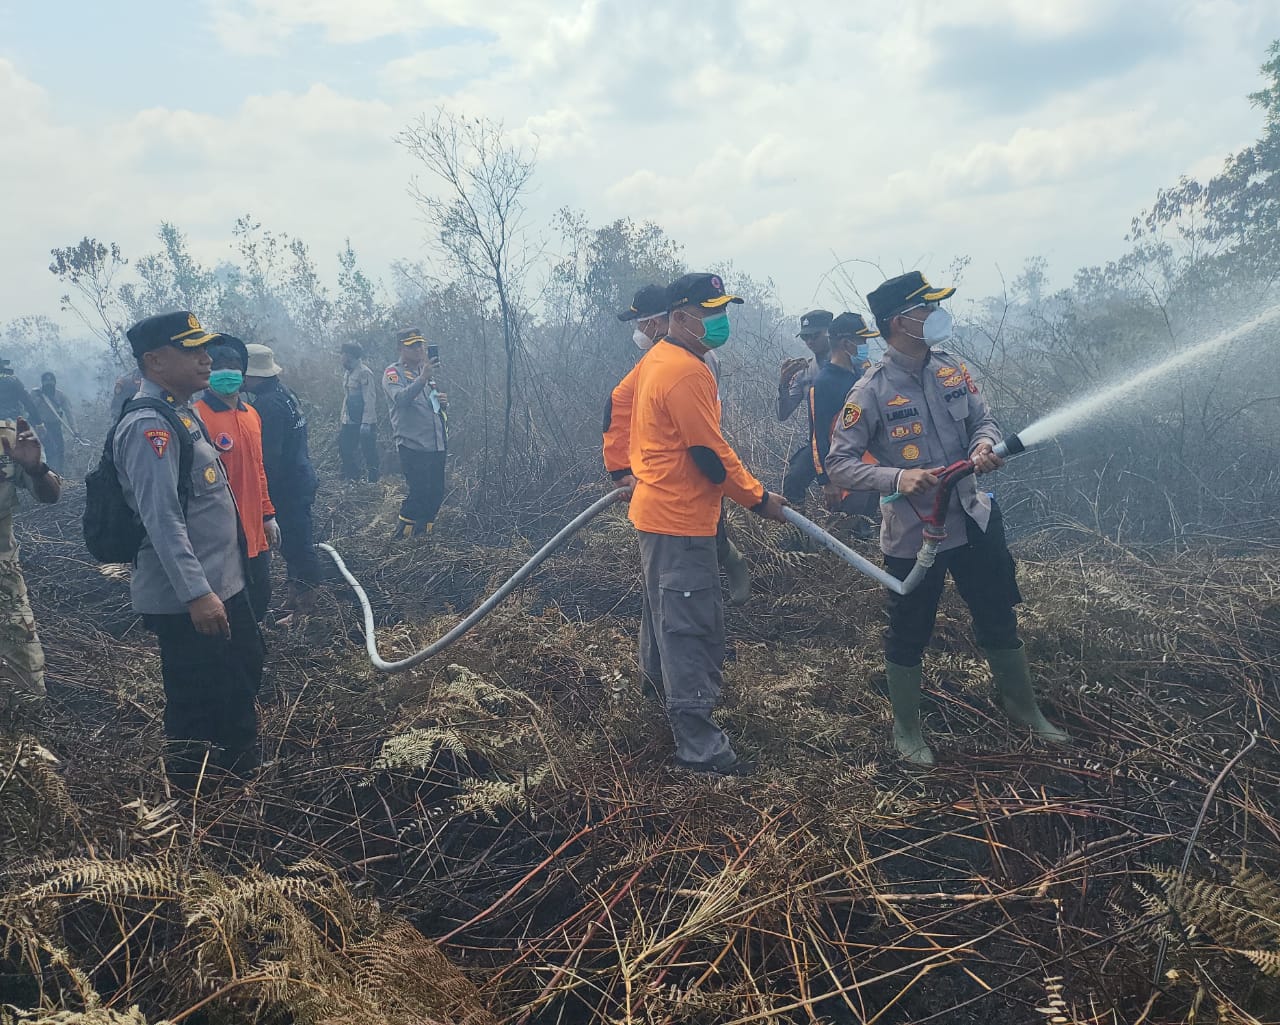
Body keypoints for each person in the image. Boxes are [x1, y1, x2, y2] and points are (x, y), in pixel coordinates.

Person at [825, 272, 1069, 767]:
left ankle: (1024, 709)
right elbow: (838, 463)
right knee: (910, 628)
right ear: (900, 323)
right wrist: (898, 477)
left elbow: (983, 419)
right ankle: (907, 729)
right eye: (926, 309)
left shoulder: (952, 369)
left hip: (974, 519)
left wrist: (983, 443)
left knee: (998, 611)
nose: (937, 316)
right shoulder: (868, 392)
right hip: (915, 537)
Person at [603, 273, 787, 776]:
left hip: (661, 515)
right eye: (709, 312)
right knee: (688, 625)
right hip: (679, 519)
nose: (718, 321)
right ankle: (700, 747)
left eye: (722, 309)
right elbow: (710, 454)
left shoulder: (664, 359)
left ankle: (655, 696)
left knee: (663, 610)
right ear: (680, 317)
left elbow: (627, 407)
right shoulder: (682, 371)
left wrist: (624, 469)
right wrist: (759, 498)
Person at [113, 312, 263, 786]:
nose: (206, 358)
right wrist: (197, 594)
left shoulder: (182, 411)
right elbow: (162, 519)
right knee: (196, 699)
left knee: (238, 679)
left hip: (223, 584)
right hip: (192, 600)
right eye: (192, 350)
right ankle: (195, 800)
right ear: (155, 362)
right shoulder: (147, 427)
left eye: (205, 348)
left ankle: (236, 784)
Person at [608, 284, 752, 605]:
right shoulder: (658, 362)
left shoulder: (695, 361)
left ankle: (730, 564)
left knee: (707, 537)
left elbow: (704, 435)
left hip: (696, 472)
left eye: (640, 322)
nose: (638, 330)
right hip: (665, 486)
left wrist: (756, 498)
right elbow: (618, 405)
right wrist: (621, 470)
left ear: (657, 322)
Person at [194, 337, 279, 623]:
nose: (227, 373)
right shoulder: (196, 417)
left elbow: (259, 469)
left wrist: (268, 515)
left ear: (243, 373)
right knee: (230, 603)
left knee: (261, 594)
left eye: (233, 367)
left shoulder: (252, 414)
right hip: (220, 534)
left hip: (255, 527)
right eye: (220, 366)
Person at [242, 343, 321, 615]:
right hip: (300, 477)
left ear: (253, 375)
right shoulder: (284, 393)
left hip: (287, 486)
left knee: (298, 545)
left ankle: (308, 608)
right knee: (290, 541)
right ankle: (292, 600)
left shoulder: (267, 405)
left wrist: (261, 493)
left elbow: (269, 457)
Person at [0, 416, 61, 717]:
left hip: (4, 578)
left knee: (25, 669)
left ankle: (26, 739)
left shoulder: (8, 436)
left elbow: (51, 494)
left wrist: (36, 468)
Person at [809, 313, 881, 536]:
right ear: (846, 343)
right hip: (846, 477)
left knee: (867, 535)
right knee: (843, 537)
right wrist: (826, 481)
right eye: (862, 341)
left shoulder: (862, 376)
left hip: (872, 470)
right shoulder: (823, 383)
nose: (865, 346)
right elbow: (817, 436)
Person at [383, 328, 448, 539]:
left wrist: (442, 402)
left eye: (420, 344)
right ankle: (401, 539)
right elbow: (401, 400)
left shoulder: (425, 371)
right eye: (412, 345)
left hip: (436, 442)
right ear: (400, 348)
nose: (419, 349)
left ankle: (424, 536)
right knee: (419, 492)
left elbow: (429, 406)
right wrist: (422, 378)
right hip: (412, 444)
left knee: (436, 493)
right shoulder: (393, 373)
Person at [777, 310, 832, 506]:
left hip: (852, 443)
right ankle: (798, 531)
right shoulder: (805, 371)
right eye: (805, 337)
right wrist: (783, 384)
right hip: (818, 444)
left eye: (814, 336)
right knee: (793, 481)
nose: (809, 342)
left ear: (830, 332)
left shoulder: (850, 364)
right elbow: (783, 414)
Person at [338, 342, 380, 484]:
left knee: (369, 452)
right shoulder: (348, 372)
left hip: (363, 421)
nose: (341, 358)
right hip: (350, 420)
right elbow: (347, 397)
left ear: (349, 356)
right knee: (345, 449)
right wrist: (343, 417)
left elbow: (370, 398)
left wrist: (367, 422)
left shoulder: (364, 373)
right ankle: (353, 479)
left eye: (343, 355)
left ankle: (373, 481)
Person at [32, 372, 77, 475]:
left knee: (60, 449)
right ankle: (44, 473)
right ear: (42, 383)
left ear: (55, 383)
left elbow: (69, 413)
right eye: (46, 382)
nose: (49, 384)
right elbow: (30, 409)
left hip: (55, 426)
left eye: (51, 382)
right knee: (44, 450)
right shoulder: (36, 394)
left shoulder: (60, 395)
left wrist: (75, 431)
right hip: (41, 427)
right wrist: (39, 398)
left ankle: (59, 474)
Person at [0, 360, 44, 426]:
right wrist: (39, 423)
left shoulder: (13, 380)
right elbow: (28, 401)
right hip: (14, 422)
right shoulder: (14, 380)